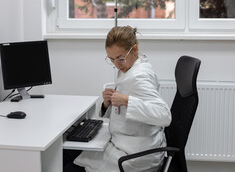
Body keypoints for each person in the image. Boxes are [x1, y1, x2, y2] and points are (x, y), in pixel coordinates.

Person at [64, 26, 172, 172]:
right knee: (71, 154)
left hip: (134, 158)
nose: (116, 64)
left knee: (67, 163)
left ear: (134, 49)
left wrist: (127, 100)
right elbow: (126, 110)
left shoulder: (139, 77)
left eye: (120, 58)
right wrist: (107, 105)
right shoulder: (131, 67)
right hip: (128, 144)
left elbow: (164, 115)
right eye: (111, 59)